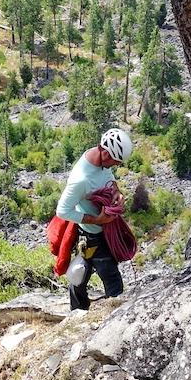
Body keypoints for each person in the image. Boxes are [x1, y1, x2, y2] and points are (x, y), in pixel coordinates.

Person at [56, 127, 132, 311]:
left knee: (80, 273)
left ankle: (79, 310)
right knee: (110, 280)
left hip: (99, 233)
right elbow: (62, 211)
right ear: (106, 153)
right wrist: (98, 220)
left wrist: (116, 192)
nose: (116, 165)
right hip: (92, 237)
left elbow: (107, 177)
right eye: (115, 161)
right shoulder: (81, 179)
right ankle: (92, 315)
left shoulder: (97, 158)